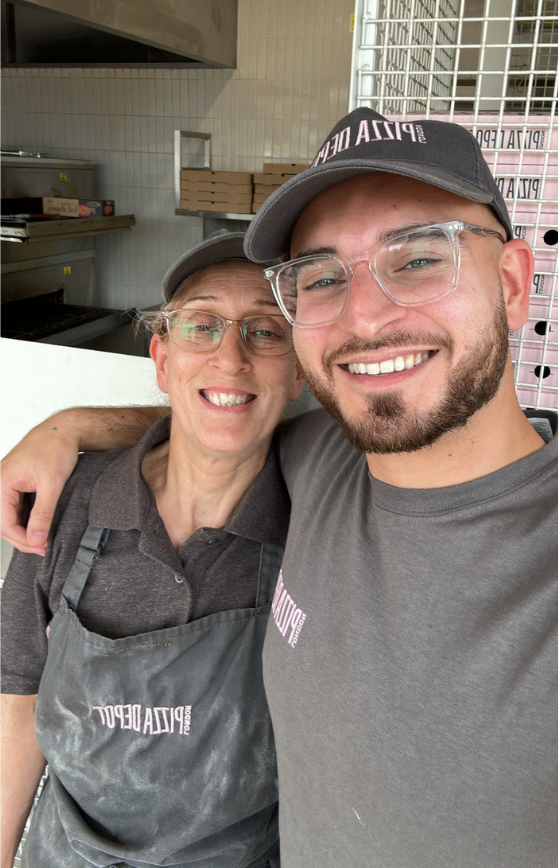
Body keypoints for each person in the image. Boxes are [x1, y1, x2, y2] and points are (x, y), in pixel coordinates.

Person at [0, 109, 556, 868]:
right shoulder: (323, 460)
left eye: (420, 257)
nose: (365, 314)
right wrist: (68, 425)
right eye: (324, 276)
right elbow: (216, 421)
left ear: (513, 282)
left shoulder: (313, 485)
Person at [0, 231, 303, 868]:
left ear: (300, 369)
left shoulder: (321, 515)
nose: (230, 358)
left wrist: (72, 419)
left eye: (266, 330)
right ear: (161, 360)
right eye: (202, 326)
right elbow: (16, 699)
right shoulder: (69, 499)